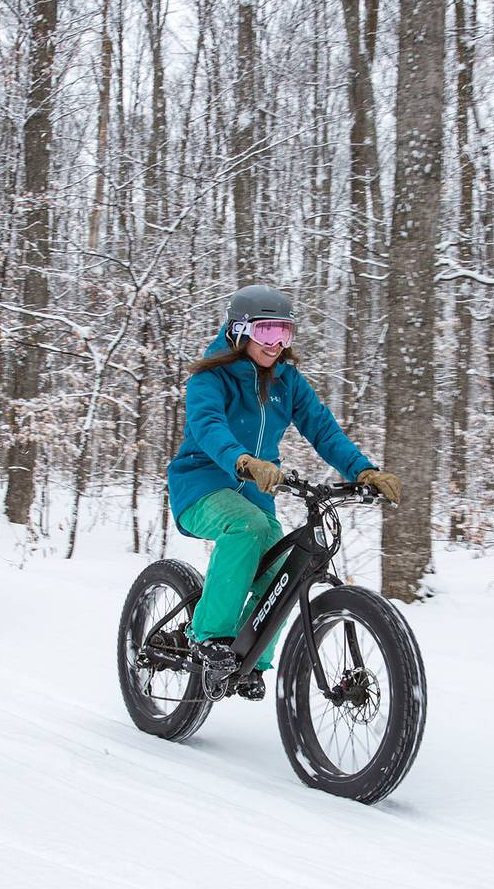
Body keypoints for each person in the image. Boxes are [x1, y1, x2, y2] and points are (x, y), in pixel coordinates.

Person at [167, 285, 400, 700]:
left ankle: (251, 658)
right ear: (239, 330)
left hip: (255, 493)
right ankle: (210, 638)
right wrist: (241, 460)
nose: (275, 345)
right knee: (246, 527)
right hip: (201, 484)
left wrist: (362, 470)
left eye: (284, 334)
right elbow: (208, 427)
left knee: (281, 567)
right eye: (265, 333)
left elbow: (322, 429)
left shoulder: (286, 382)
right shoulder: (210, 378)